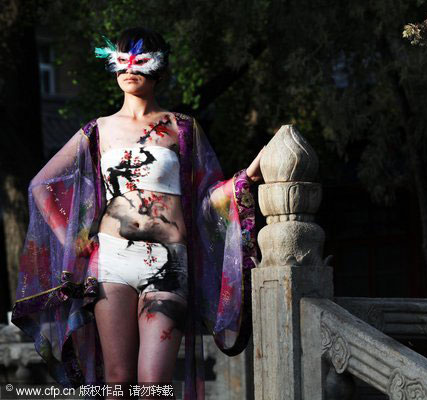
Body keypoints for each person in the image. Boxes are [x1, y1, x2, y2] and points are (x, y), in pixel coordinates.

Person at [10, 27, 262, 400]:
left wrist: (244, 180)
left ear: (158, 69)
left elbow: (206, 200)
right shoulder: (97, 131)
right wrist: (74, 239)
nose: (130, 68)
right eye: (122, 60)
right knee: (117, 380)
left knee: (153, 384)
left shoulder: (182, 128)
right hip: (111, 263)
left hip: (169, 264)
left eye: (140, 60)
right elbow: (40, 185)